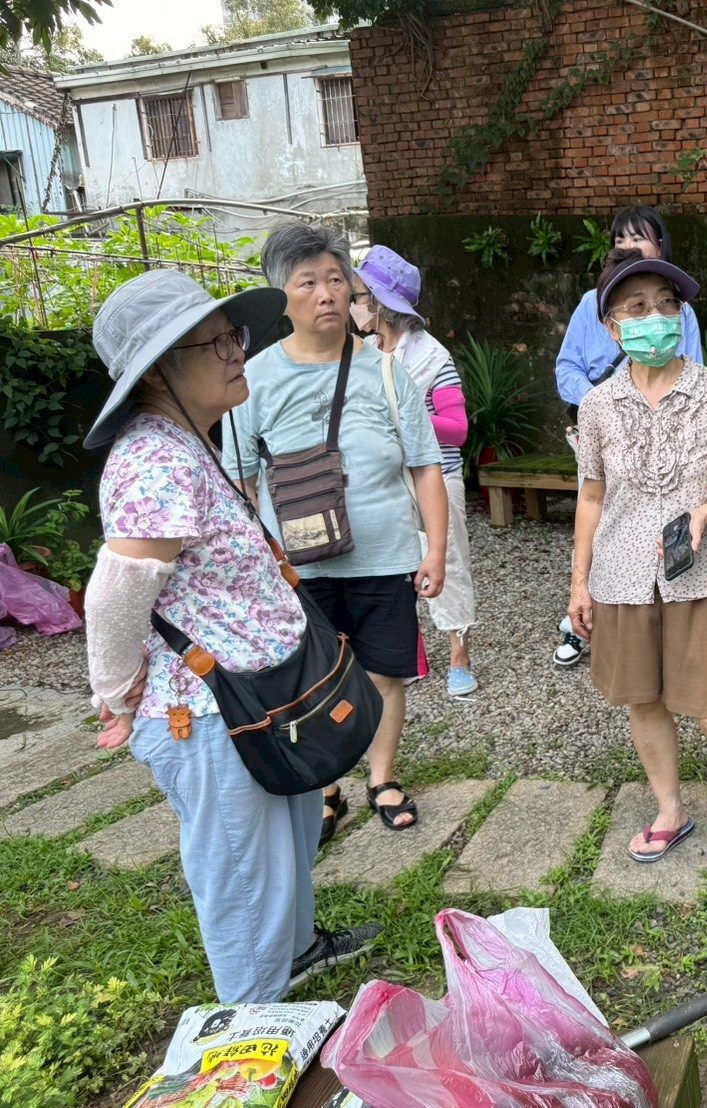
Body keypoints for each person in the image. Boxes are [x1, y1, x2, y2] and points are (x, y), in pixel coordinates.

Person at [82, 269, 381, 1003]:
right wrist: (118, 695)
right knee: (241, 872)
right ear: (158, 370)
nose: (236, 352)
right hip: (207, 714)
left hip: (252, 701)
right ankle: (252, 1029)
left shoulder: (185, 442)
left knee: (283, 842)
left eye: (234, 336)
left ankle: (299, 952)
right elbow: (117, 593)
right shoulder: (155, 457)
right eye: (214, 342)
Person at [569, 247, 707, 882]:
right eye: (637, 308)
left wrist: (705, 512)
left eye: (667, 305)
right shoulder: (596, 406)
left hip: (700, 576)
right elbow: (591, 495)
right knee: (643, 701)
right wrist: (578, 584)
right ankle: (671, 810)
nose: (655, 318)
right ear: (612, 326)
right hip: (620, 579)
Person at [225, 223, 448, 845]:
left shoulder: (386, 371)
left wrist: (434, 549)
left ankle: (381, 777)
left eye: (334, 279)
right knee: (307, 676)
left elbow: (425, 465)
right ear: (282, 298)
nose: (326, 293)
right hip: (296, 567)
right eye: (307, 282)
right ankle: (324, 785)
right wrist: (255, 565)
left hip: (383, 556)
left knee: (384, 672)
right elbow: (242, 483)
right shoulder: (253, 378)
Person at [552, 206, 703, 667]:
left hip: (668, 435)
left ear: (662, 249)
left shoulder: (682, 313)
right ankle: (586, 615)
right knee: (599, 523)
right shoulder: (588, 305)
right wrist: (603, 401)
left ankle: (673, 619)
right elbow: (566, 369)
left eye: (642, 237)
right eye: (621, 239)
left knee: (670, 521)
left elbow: (693, 374)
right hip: (604, 437)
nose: (630, 246)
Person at [351, 245, 480, 700]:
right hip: (382, 479)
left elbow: (458, 429)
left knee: (445, 560)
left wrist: (403, 416)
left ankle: (460, 654)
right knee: (391, 563)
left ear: (380, 304)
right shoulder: (362, 352)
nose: (352, 301)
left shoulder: (431, 358)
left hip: (434, 476)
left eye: (359, 294)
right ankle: (409, 652)